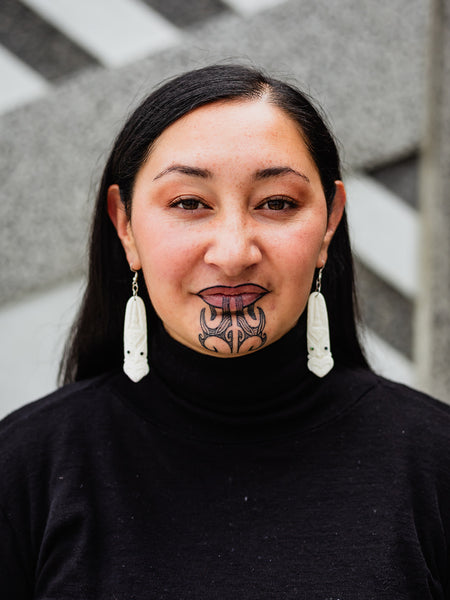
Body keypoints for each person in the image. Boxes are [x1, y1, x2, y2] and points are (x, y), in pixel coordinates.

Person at [0, 64, 449, 599]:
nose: (234, 253)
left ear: (329, 222)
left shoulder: (433, 461)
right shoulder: (25, 469)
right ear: (126, 226)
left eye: (277, 203)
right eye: (189, 203)